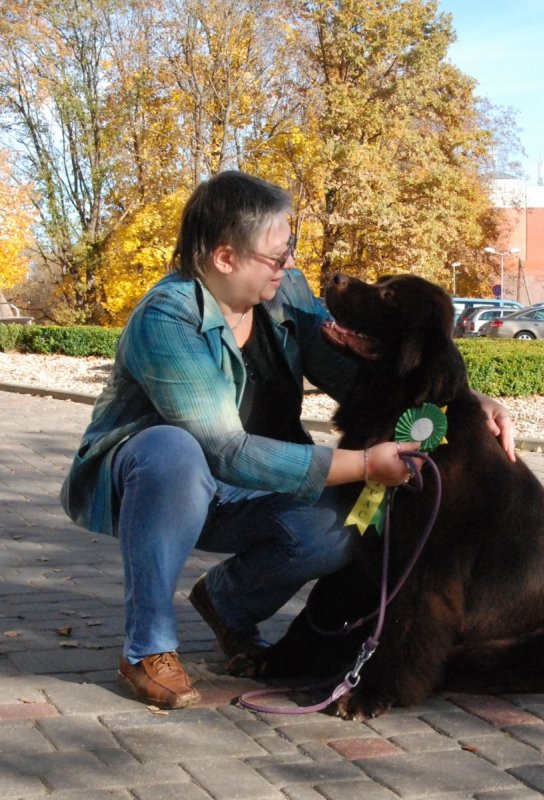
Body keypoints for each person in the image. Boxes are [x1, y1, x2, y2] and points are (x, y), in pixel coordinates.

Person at [60, 170, 515, 709]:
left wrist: (462, 400)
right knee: (173, 450)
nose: (291, 266)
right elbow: (224, 450)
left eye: (290, 250)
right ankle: (148, 650)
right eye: (277, 257)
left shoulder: (283, 294)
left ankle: (227, 604)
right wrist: (366, 464)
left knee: (344, 526)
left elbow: (362, 372)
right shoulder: (168, 318)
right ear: (225, 258)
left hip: (258, 482)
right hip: (165, 483)